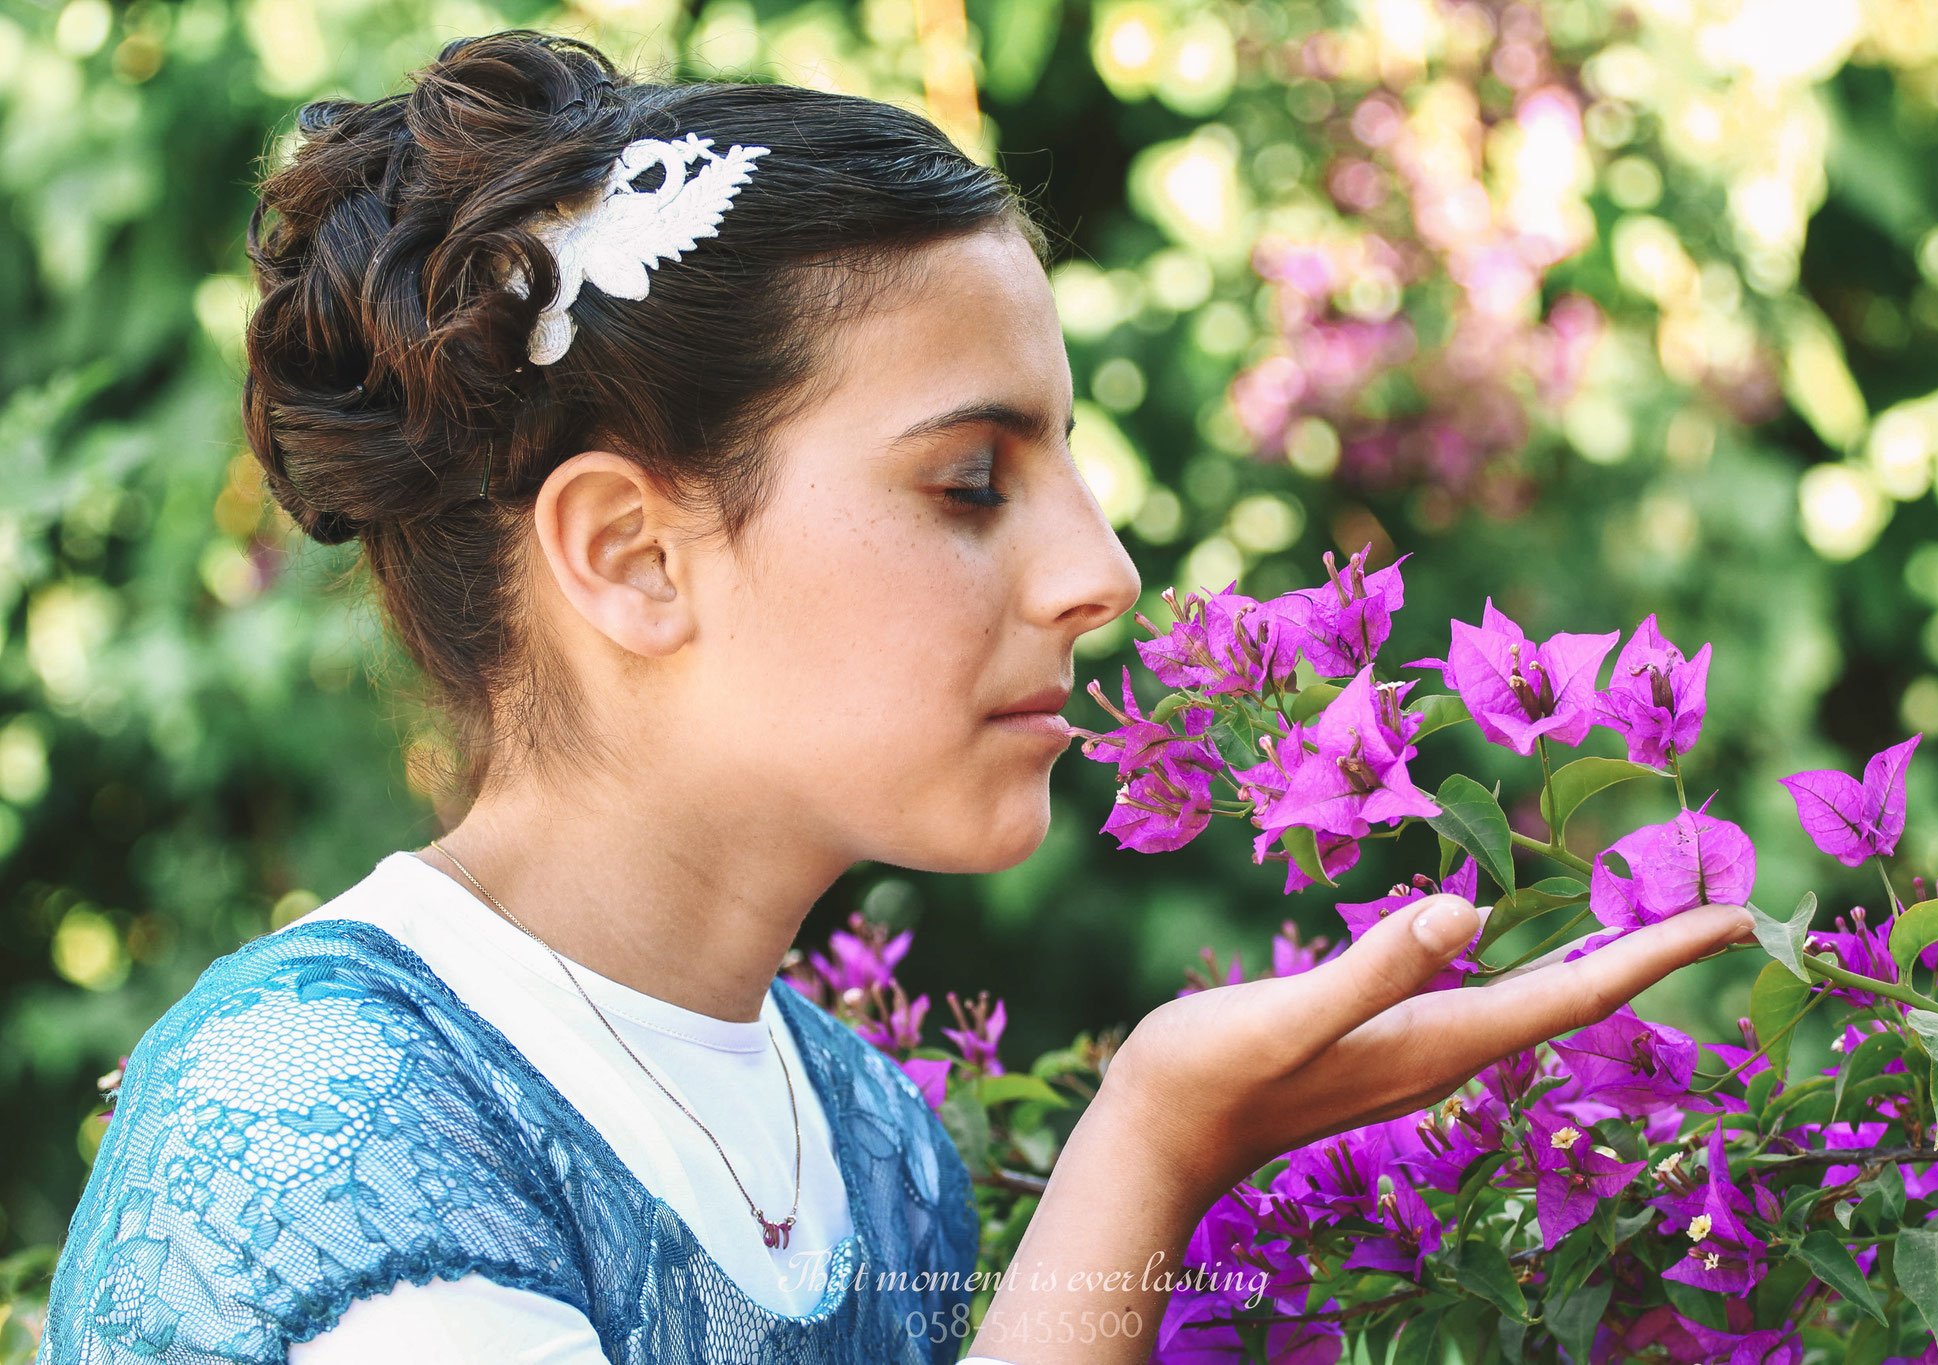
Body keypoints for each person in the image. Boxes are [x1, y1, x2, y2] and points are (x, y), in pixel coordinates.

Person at [34, 27, 1757, 1365]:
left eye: (1064, 464)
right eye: (969, 482)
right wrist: (1147, 1152)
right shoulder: (316, 1125)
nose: (1104, 574)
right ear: (632, 554)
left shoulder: (876, 1145)